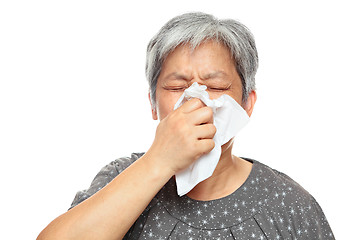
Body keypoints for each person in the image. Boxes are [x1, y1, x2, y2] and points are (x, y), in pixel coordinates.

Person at [37, 12, 334, 240]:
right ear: (153, 104)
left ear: (247, 104)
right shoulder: (119, 178)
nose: (197, 99)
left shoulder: (289, 204)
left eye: (216, 86)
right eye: (177, 86)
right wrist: (159, 160)